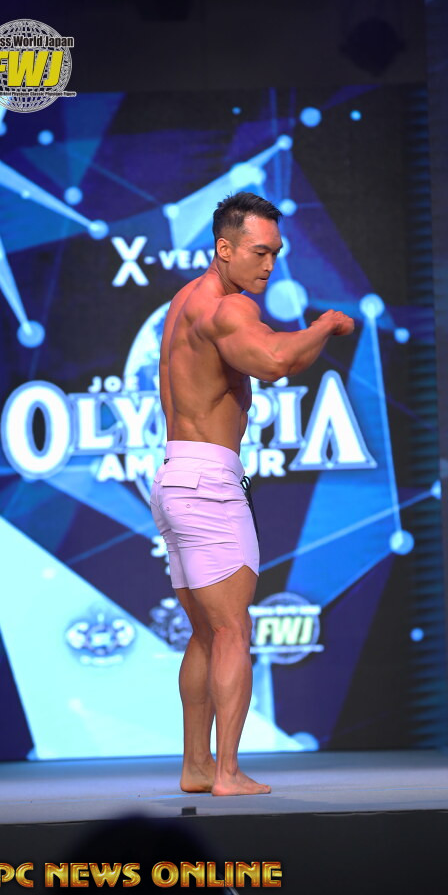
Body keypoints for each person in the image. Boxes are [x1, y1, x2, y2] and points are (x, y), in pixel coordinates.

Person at [149, 191, 354, 796]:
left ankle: (196, 765)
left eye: (276, 253)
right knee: (233, 631)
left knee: (207, 633)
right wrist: (324, 326)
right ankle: (228, 772)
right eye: (259, 252)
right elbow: (273, 362)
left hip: (176, 477)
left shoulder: (184, 301)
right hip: (208, 485)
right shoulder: (226, 308)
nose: (269, 264)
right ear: (224, 248)